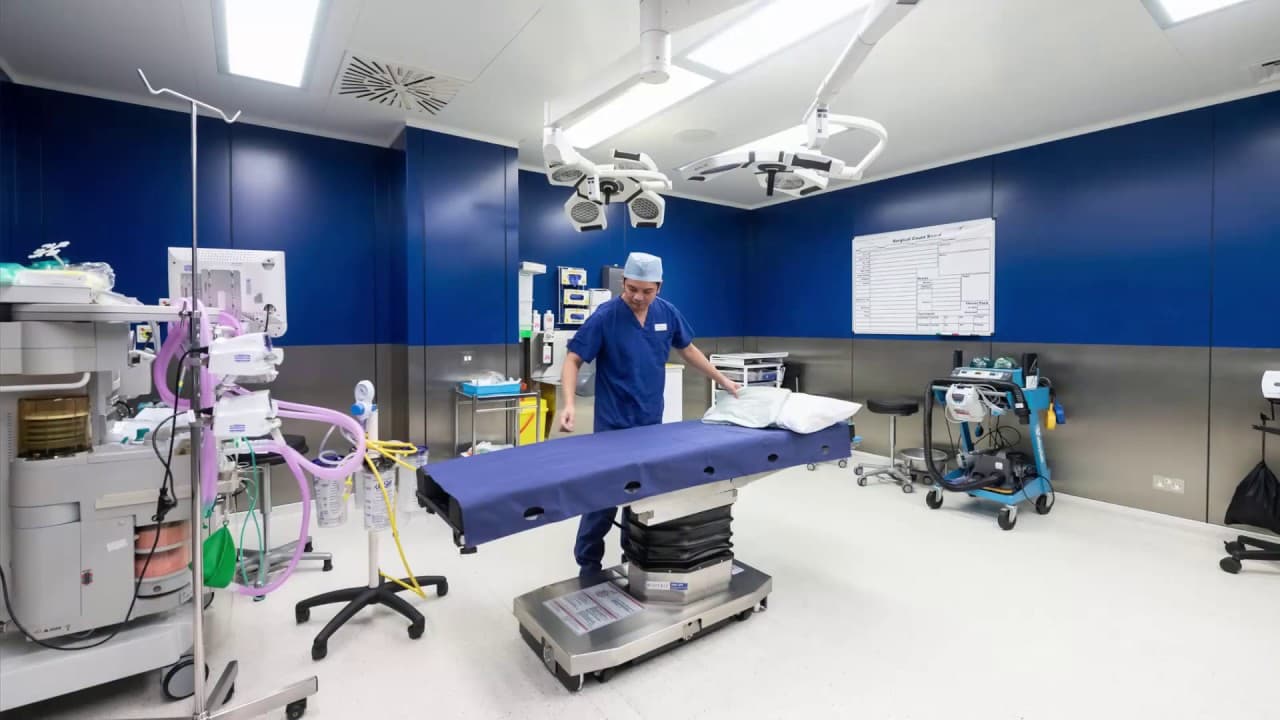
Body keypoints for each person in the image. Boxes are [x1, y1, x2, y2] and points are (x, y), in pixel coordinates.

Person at [559, 251, 740, 576]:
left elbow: (688, 350)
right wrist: (569, 403)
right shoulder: (606, 316)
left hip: (650, 426)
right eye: (632, 289)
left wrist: (723, 380)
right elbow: (573, 359)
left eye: (647, 291)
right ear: (623, 283)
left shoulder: (666, 313)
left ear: (659, 287)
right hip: (613, 427)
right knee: (603, 498)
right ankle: (588, 563)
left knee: (640, 498)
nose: (638, 297)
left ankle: (632, 555)